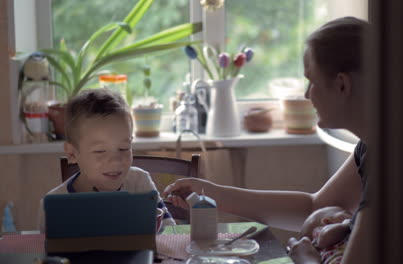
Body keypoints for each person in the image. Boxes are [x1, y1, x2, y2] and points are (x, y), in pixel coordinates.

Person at [163, 16, 369, 264]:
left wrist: (305, 259)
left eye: (312, 81)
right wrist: (213, 193)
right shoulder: (370, 147)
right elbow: (315, 207)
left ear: (342, 85)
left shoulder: (395, 164)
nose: (306, 94)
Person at [37, 88, 176, 233]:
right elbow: (45, 253)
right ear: (72, 154)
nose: (116, 161)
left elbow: (170, 233)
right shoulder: (52, 206)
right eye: (100, 151)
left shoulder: (140, 182)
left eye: (124, 148)